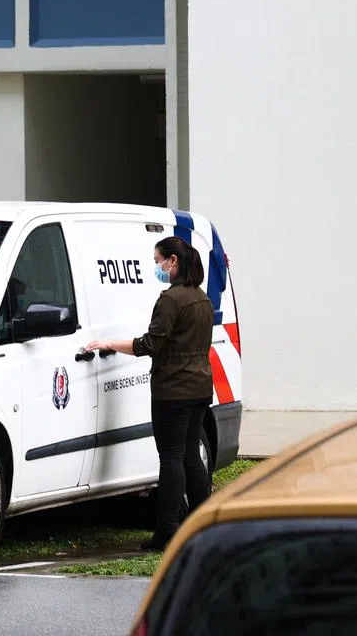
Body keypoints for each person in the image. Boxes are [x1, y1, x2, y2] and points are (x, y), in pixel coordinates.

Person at [85, 236, 215, 552]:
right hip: (199, 388)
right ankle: (204, 526)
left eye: (158, 261)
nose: (156, 267)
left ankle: (167, 532)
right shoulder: (202, 299)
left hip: (172, 390)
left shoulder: (170, 300)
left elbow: (151, 345)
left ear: (173, 261)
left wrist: (111, 344)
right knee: (191, 457)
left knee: (170, 458)